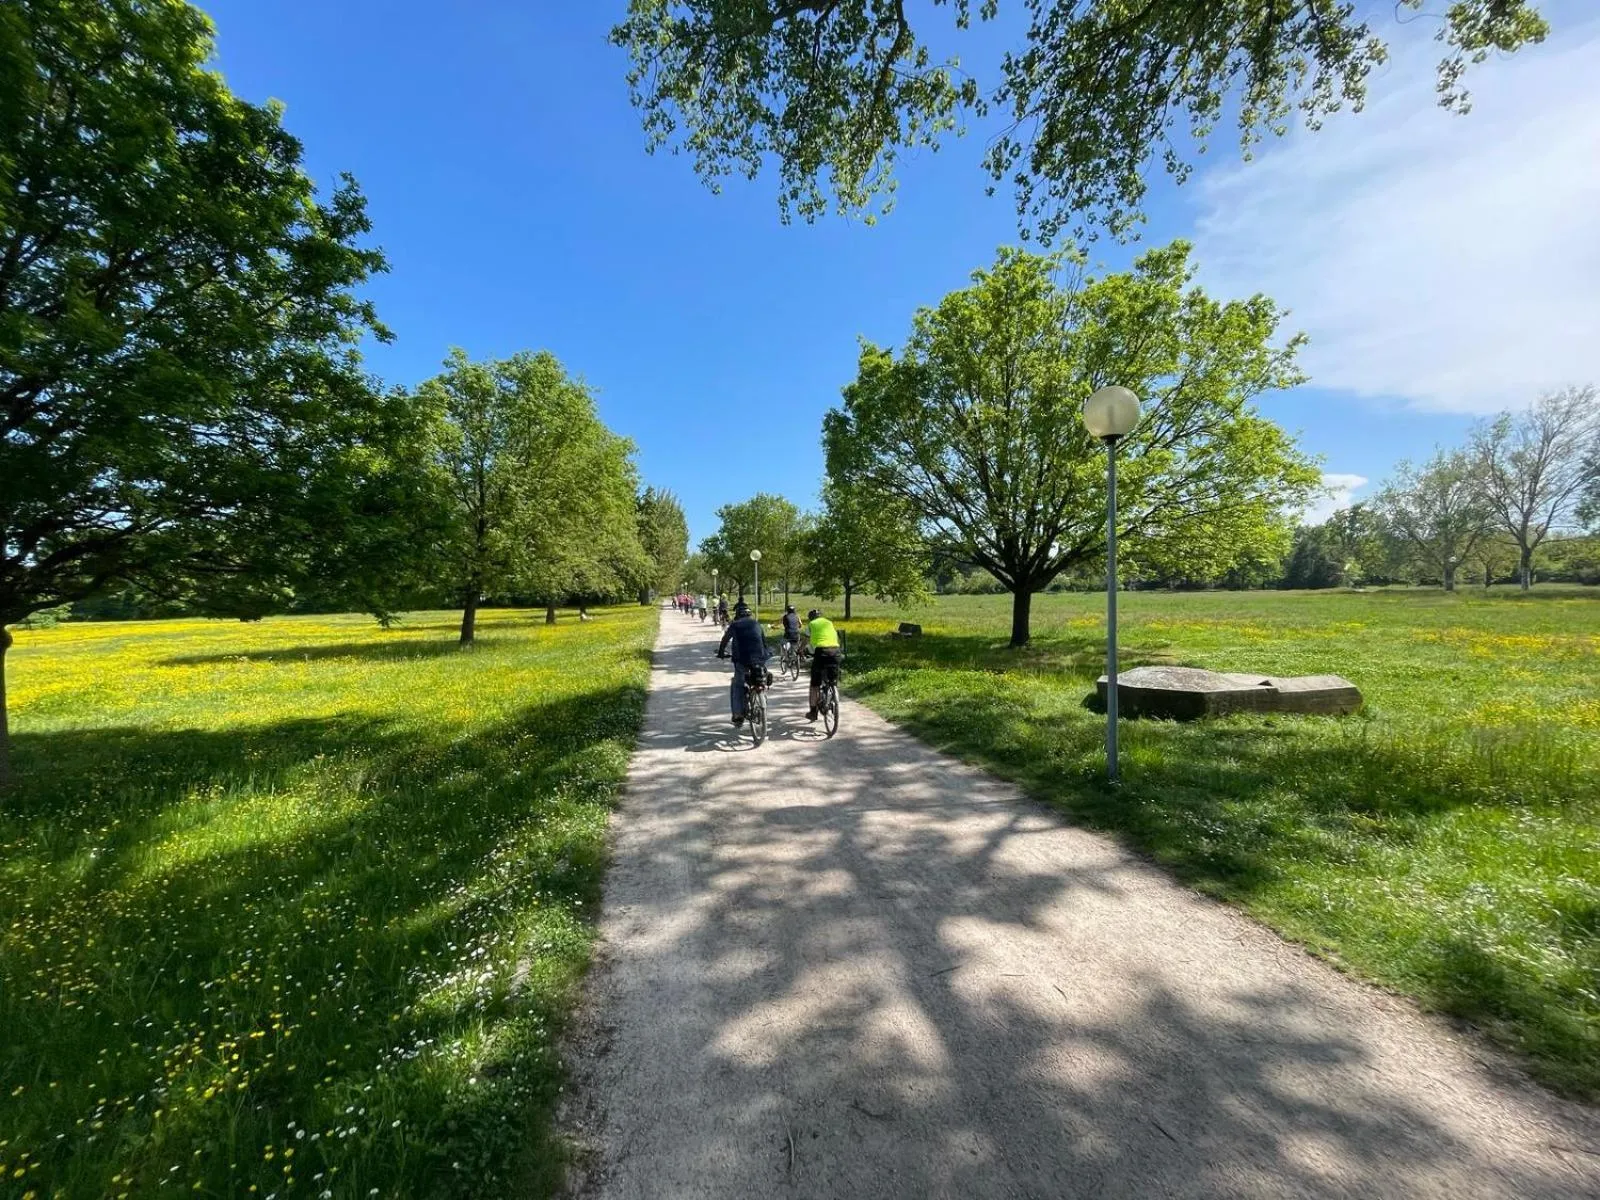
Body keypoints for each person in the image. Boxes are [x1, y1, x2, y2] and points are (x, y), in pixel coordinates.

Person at [716, 601, 768, 726]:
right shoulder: (756, 624)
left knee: (737, 685)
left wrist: (721, 653)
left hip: (742, 660)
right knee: (761, 678)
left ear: (737, 615)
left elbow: (725, 640)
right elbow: (764, 643)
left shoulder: (735, 625)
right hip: (760, 659)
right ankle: (763, 699)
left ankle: (738, 715)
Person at [802, 607, 841, 722]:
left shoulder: (811, 624)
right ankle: (833, 691)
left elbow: (805, 640)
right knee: (832, 679)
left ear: (811, 618)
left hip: (821, 652)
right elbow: (836, 638)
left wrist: (800, 650)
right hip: (835, 651)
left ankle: (813, 712)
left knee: (814, 685)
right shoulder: (829, 623)